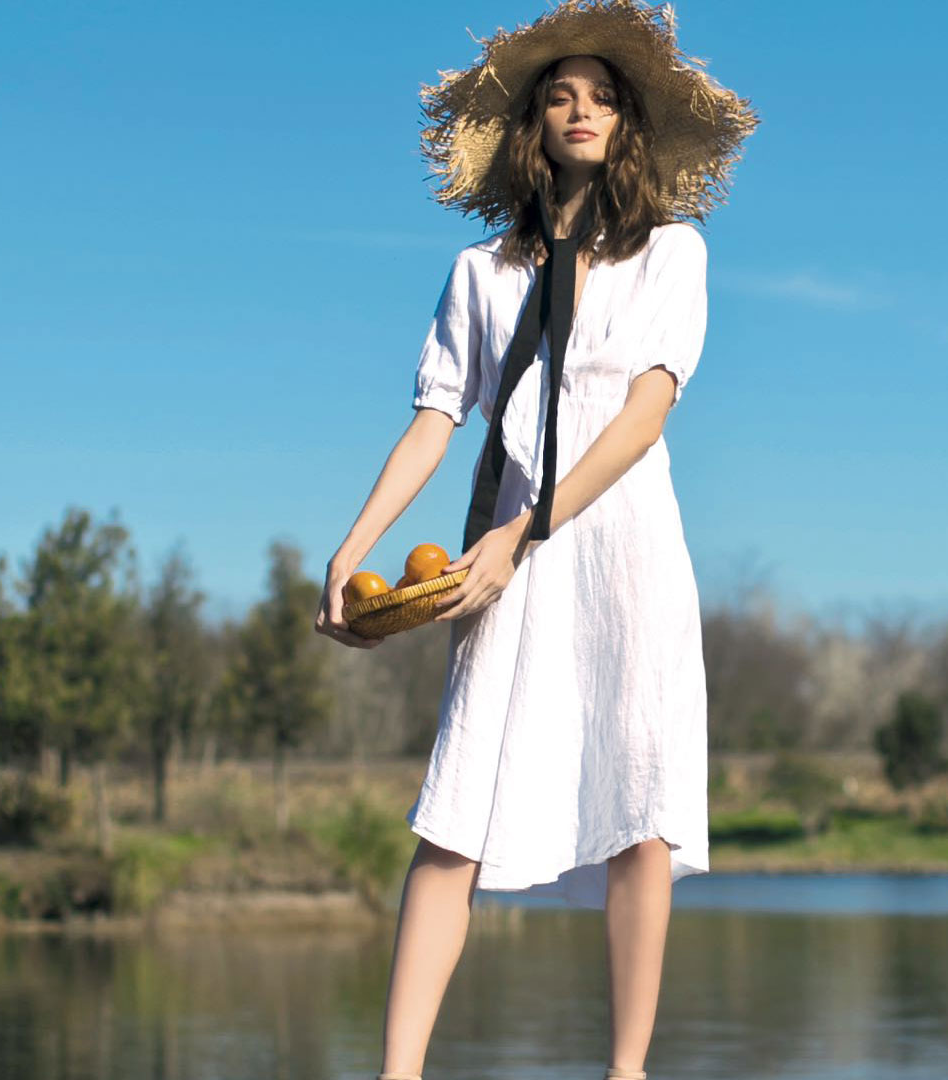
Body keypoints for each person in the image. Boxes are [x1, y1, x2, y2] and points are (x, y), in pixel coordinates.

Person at [313, 3, 756, 1078]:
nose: (580, 110)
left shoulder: (672, 256)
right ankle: (397, 1072)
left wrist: (525, 530)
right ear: (533, 126)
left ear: (630, 124)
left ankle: (626, 1070)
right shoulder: (482, 277)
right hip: (504, 560)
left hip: (625, 550)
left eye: (602, 97)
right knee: (454, 810)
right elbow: (435, 420)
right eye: (560, 95)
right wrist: (351, 547)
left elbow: (643, 419)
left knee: (639, 809)